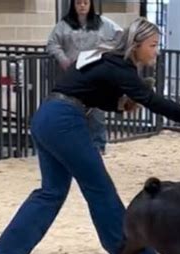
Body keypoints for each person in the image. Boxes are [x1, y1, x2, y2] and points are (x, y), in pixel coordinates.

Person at [0, 17, 180, 254]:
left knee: (52, 191)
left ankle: (10, 249)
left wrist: (120, 104)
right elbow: (153, 101)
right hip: (65, 121)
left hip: (47, 116)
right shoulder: (121, 67)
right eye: (153, 45)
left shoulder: (103, 55)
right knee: (99, 188)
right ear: (136, 44)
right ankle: (130, 253)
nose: (156, 51)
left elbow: (86, 88)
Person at [47, 0, 122, 154]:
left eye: (85, 2)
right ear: (73, 5)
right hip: (73, 73)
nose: (82, 6)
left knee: (96, 109)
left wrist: (105, 51)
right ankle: (73, 144)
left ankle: (98, 145)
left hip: (94, 71)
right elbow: (52, 44)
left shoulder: (102, 22)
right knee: (72, 107)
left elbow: (120, 35)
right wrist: (63, 60)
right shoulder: (64, 25)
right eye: (79, 3)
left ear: (90, 4)